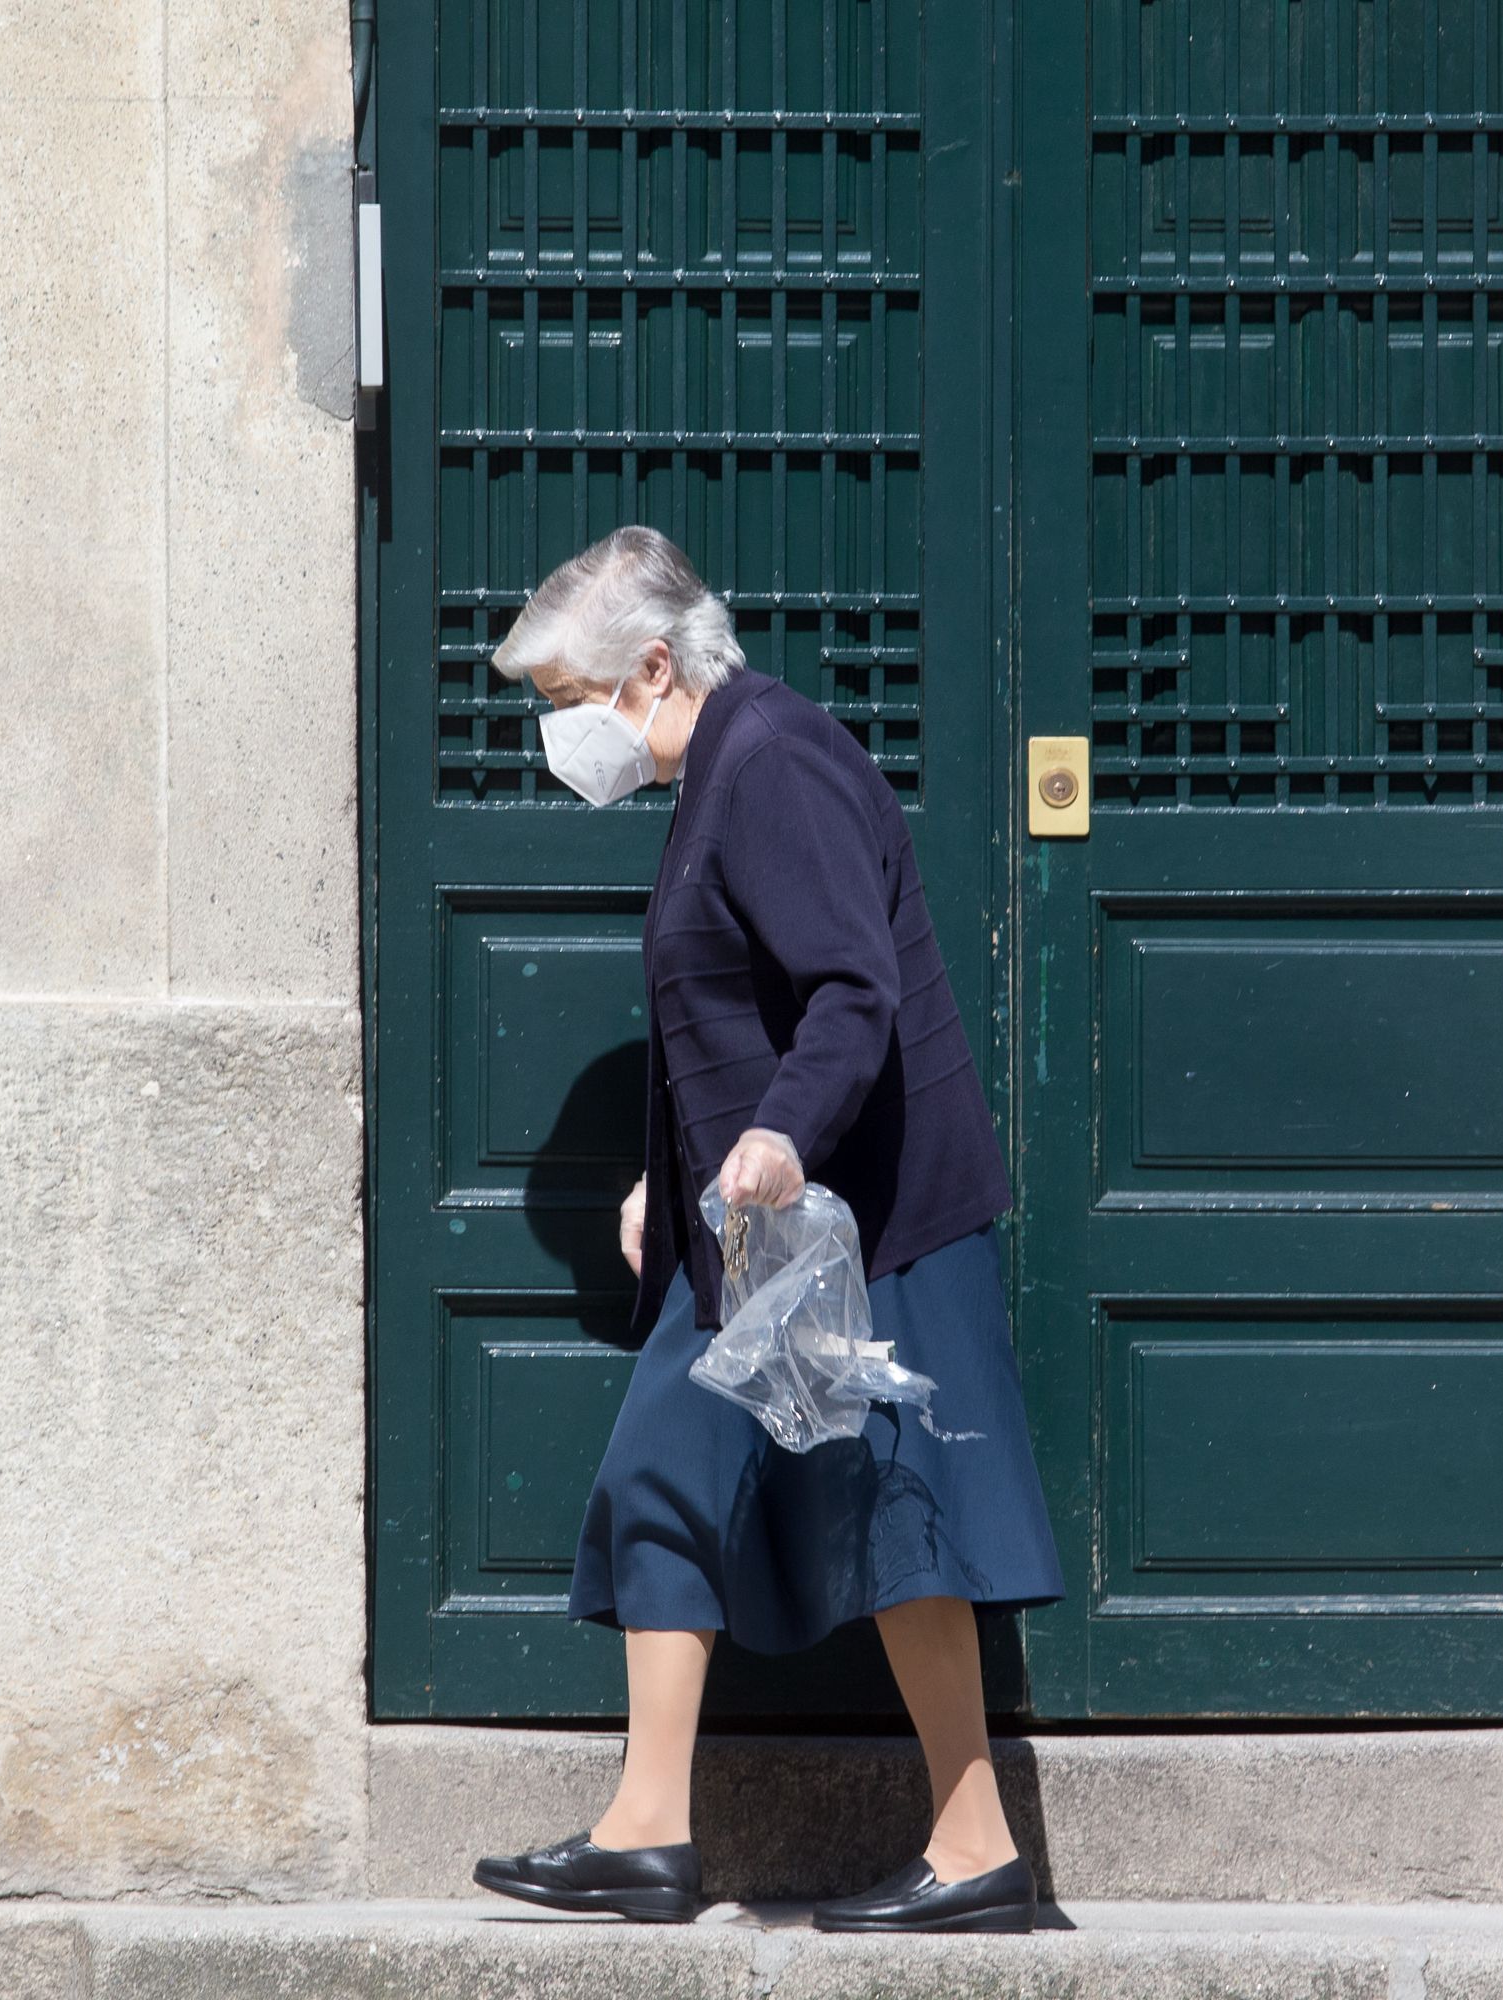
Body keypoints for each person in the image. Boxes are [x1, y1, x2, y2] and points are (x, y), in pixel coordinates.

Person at [468, 527, 1065, 1935]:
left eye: (567, 700)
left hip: (863, 1218)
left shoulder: (774, 762)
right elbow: (732, 1007)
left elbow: (851, 991)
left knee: (901, 1522)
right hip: (751, 1225)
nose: (561, 735)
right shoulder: (723, 766)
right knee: (667, 1477)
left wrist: (782, 1132)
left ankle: (975, 1849)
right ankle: (648, 1831)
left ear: (653, 668)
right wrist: (665, 1171)